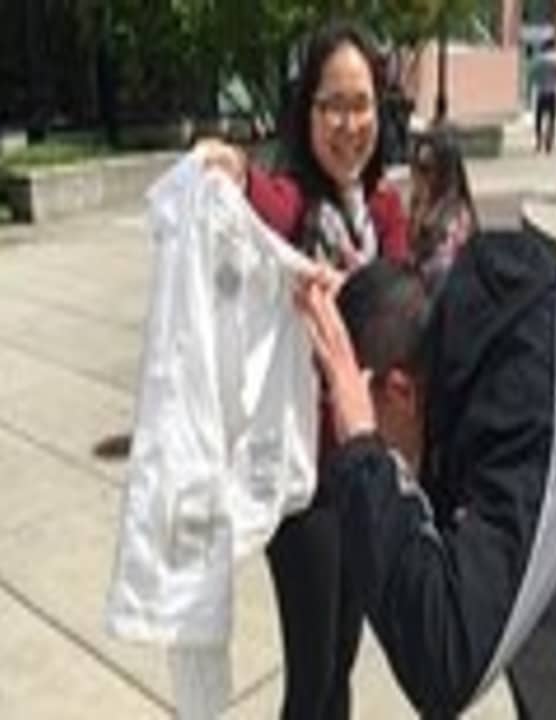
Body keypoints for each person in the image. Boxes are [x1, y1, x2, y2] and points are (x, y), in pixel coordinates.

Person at [295, 228, 556, 718]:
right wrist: (371, 305)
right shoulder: (501, 342)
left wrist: (362, 452)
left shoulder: (542, 408)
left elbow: (445, 658)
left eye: (362, 407)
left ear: (400, 391)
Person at [194, 20, 409, 720]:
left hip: (366, 466)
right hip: (304, 478)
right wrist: (233, 170)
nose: (349, 124)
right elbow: (265, 198)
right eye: (332, 105)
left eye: (361, 103)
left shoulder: (385, 213)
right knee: (312, 676)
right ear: (307, 112)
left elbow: (406, 317)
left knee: (343, 657)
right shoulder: (295, 207)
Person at [408, 124, 477, 277]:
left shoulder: (457, 217)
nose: (416, 174)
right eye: (415, 164)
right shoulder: (419, 203)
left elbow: (442, 266)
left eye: (426, 168)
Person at [530, 40, 556, 154]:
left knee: (539, 118)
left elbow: (533, 76)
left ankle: (539, 141)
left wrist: (536, 84)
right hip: (552, 92)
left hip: (541, 92)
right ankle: (549, 142)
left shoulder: (538, 60)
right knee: (551, 118)